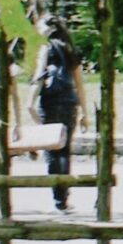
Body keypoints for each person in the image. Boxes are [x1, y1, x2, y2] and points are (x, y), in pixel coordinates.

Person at [31, 27, 89, 210]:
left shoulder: (45, 48)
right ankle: (63, 198)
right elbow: (79, 85)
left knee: (51, 151)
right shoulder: (71, 51)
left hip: (49, 103)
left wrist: (30, 102)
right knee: (64, 150)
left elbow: (39, 77)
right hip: (69, 104)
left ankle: (58, 195)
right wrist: (85, 112)